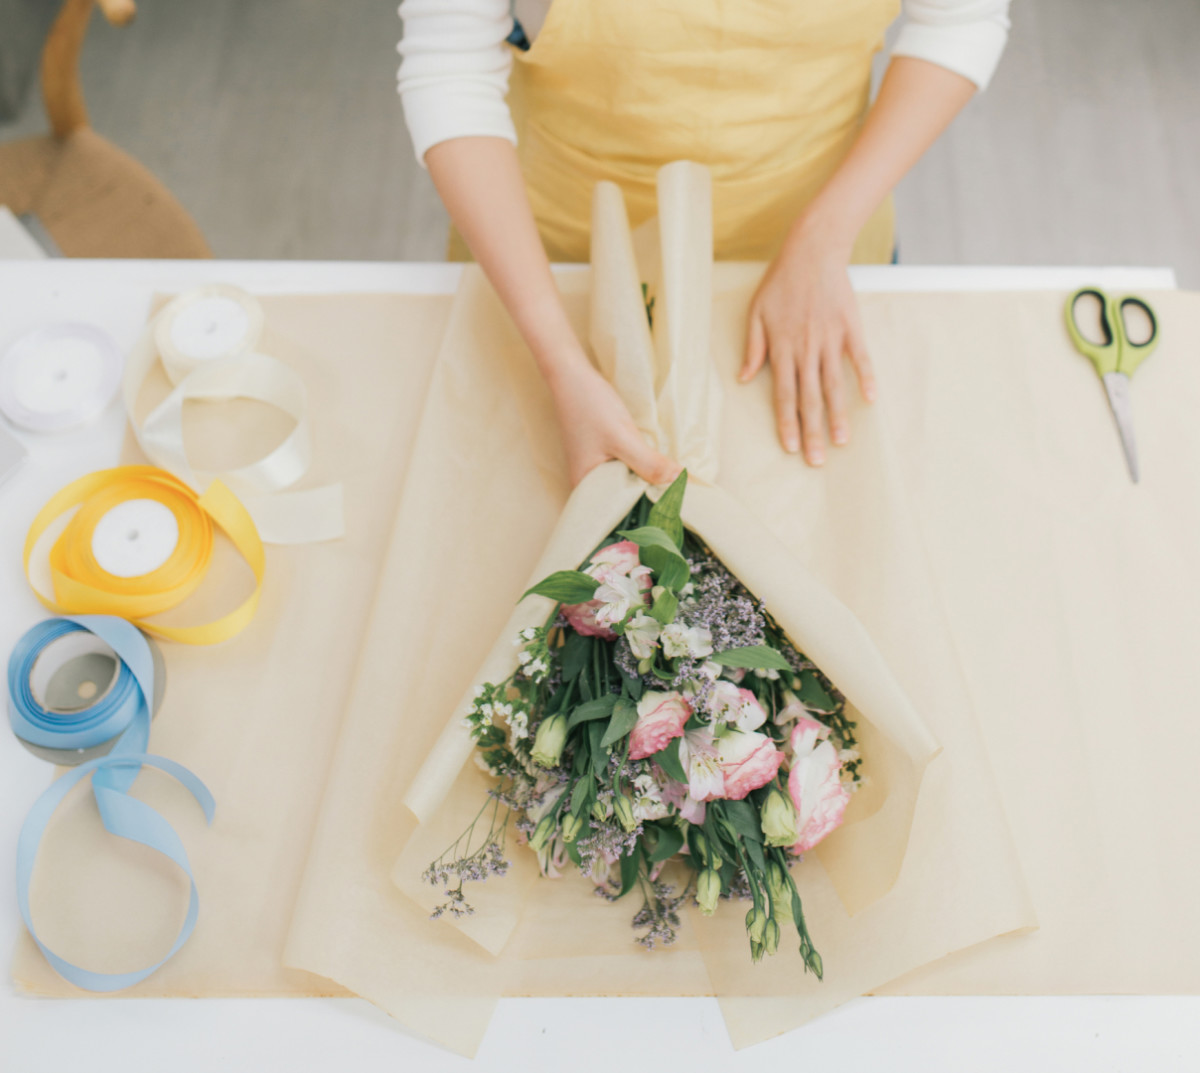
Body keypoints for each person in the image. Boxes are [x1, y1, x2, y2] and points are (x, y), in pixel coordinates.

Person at [397, 0, 1010, 484]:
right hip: (559, 254)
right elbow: (451, 65)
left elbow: (961, 18)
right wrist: (559, 359)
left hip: (815, 233)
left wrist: (824, 239)